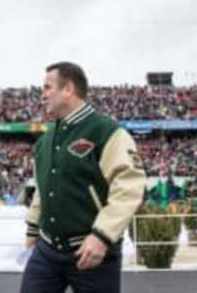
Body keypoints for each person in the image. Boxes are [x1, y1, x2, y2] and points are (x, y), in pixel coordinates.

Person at [20, 62, 146, 293]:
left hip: (92, 251)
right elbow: (43, 187)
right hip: (47, 250)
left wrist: (102, 236)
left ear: (68, 89)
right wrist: (32, 227)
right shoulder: (44, 142)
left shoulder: (107, 131)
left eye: (47, 87)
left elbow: (130, 186)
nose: (42, 95)